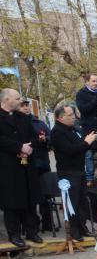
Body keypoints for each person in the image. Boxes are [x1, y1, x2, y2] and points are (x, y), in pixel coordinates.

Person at [0, 89, 43, 247]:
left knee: (30, 199)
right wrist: (19, 147)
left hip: (27, 164)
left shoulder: (23, 117)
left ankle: (32, 231)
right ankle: (14, 234)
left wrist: (29, 147)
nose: (20, 101)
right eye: (17, 98)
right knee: (12, 201)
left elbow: (33, 135)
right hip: (8, 166)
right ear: (6, 100)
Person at [50, 104, 97, 241]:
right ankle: (74, 231)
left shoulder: (73, 129)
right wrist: (86, 143)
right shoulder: (57, 132)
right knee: (72, 202)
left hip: (79, 170)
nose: (74, 117)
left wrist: (88, 141)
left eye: (73, 114)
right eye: (70, 115)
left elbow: (80, 146)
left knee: (82, 201)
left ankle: (83, 228)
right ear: (61, 117)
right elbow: (70, 150)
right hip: (68, 172)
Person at [19, 99, 53, 232]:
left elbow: (51, 137)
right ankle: (31, 225)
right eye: (22, 106)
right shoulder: (16, 123)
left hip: (43, 163)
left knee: (46, 195)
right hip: (26, 164)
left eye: (27, 105)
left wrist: (46, 140)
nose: (26, 108)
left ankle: (48, 223)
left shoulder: (39, 122)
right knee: (30, 197)